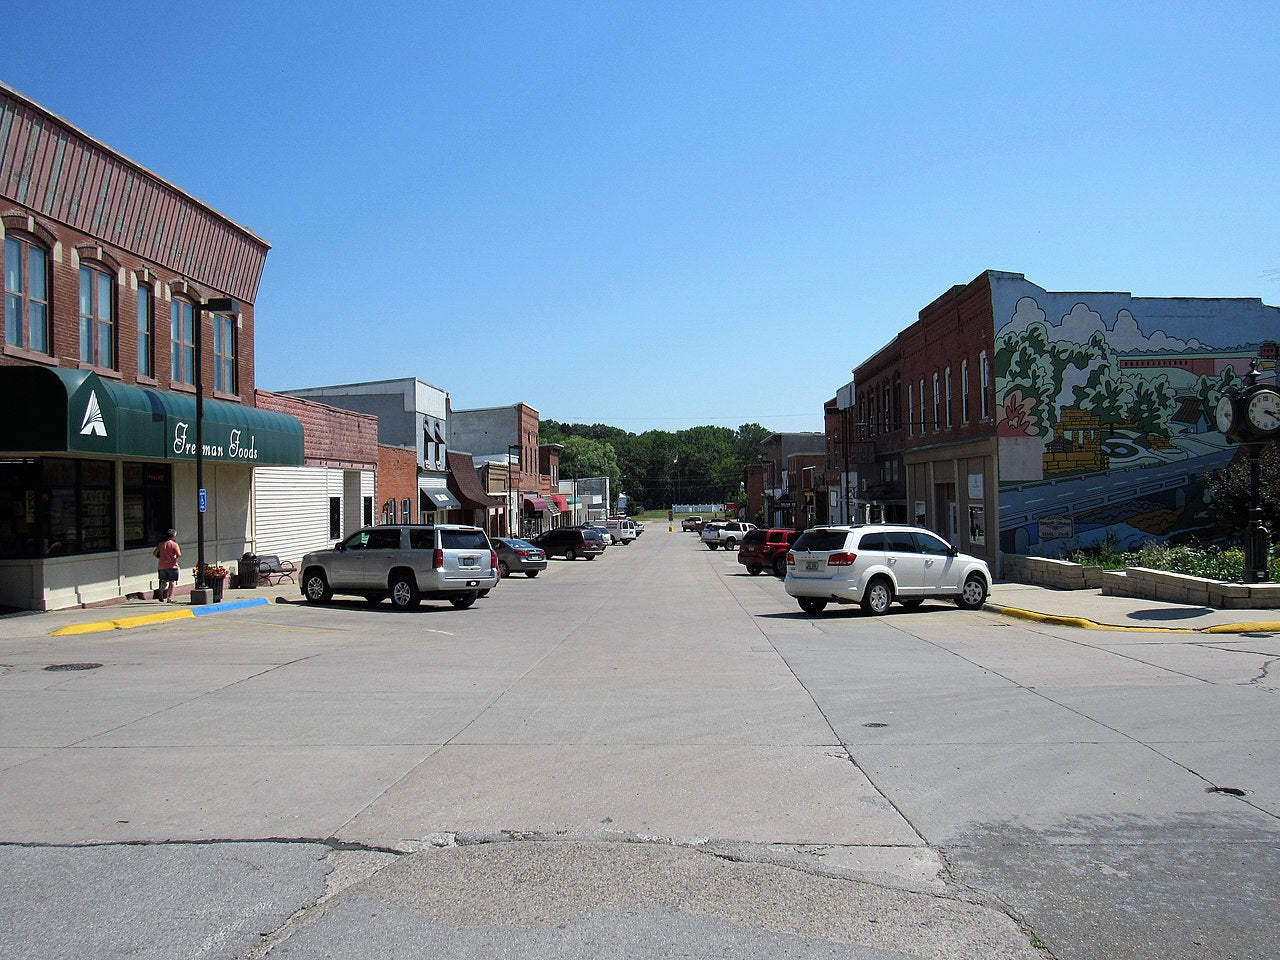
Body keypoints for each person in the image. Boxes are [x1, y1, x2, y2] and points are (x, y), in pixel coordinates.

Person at [153, 529, 181, 602]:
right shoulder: (174, 545)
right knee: (172, 582)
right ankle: (169, 598)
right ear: (173, 536)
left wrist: (160, 557)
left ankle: (160, 592)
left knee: (164, 581)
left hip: (162, 565)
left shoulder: (161, 544)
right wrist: (173, 558)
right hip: (172, 566)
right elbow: (179, 554)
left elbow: (155, 553)